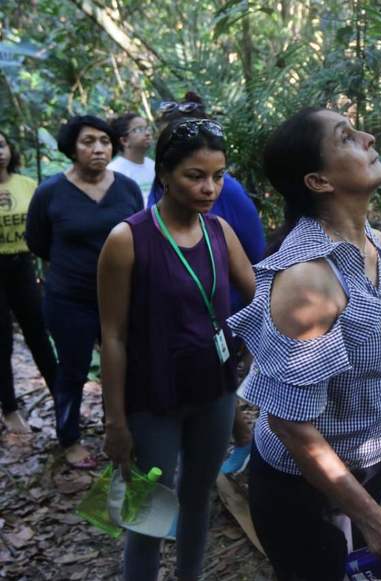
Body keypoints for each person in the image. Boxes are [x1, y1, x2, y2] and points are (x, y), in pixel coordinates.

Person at [227, 108, 381, 581]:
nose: (368, 137)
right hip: (302, 492)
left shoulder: (377, 243)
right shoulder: (308, 281)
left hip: (361, 467)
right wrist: (370, 515)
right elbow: (290, 423)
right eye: (346, 137)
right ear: (318, 181)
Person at [98, 118, 255, 581]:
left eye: (218, 176)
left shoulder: (220, 232)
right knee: (148, 514)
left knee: (197, 496)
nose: (210, 188)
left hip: (214, 391)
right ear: (164, 174)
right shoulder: (127, 239)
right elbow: (113, 335)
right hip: (153, 397)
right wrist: (115, 422)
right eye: (195, 176)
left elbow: (260, 297)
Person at [149, 92, 265, 471]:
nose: (208, 187)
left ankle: (239, 445)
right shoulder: (157, 195)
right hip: (176, 314)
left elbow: (255, 254)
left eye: (215, 176)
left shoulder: (228, 192)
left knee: (219, 382)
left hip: (223, 310)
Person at [25, 115, 143, 468]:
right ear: (72, 148)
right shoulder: (50, 192)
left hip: (121, 296)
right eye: (88, 142)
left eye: (104, 141)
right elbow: (38, 242)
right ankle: (69, 438)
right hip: (69, 299)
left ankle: (117, 428)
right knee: (73, 369)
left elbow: (139, 235)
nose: (98, 148)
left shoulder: (127, 188)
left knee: (123, 365)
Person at [0, 130, 57, 434]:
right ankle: (9, 410)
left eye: (2, 144)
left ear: (10, 149)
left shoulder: (27, 185)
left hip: (23, 266)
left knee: (38, 333)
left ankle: (61, 397)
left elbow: (43, 229)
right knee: (2, 341)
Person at [108, 113, 155, 207]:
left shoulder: (153, 165)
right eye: (139, 129)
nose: (147, 133)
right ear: (124, 141)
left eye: (147, 128)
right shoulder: (113, 171)